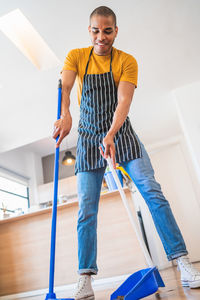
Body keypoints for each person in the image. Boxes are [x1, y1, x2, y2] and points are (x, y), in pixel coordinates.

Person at [53, 6, 200, 300]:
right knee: (86, 210)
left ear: (115, 31)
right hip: (86, 137)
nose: (101, 37)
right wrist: (65, 114)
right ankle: (85, 279)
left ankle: (182, 261)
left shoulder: (126, 61)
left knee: (151, 191)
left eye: (107, 31)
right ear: (89, 30)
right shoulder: (77, 56)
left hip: (121, 135)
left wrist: (111, 134)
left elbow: (123, 102)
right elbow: (66, 87)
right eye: (96, 30)